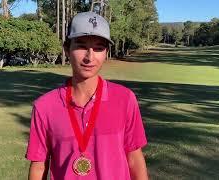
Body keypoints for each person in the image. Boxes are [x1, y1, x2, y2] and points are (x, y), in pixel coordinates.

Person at [26, 11, 148, 180]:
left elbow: (134, 158)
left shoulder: (125, 99)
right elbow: (39, 166)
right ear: (67, 49)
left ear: (106, 53)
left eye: (98, 48)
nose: (90, 57)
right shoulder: (44, 106)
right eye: (82, 46)